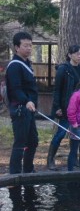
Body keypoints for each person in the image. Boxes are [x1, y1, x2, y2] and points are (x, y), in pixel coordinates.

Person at [48, 45, 80, 170]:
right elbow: (57, 90)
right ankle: (50, 160)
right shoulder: (63, 69)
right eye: (77, 54)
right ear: (70, 55)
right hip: (65, 107)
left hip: (78, 108)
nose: (79, 56)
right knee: (61, 133)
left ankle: (74, 158)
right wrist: (57, 106)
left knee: (76, 134)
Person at [5, 31, 38, 174]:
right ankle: (15, 172)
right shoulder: (14, 65)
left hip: (29, 109)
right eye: (25, 46)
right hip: (20, 108)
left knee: (33, 141)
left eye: (30, 45)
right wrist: (26, 101)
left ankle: (28, 169)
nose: (29, 48)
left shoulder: (27, 64)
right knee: (20, 142)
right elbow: (15, 88)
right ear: (17, 47)